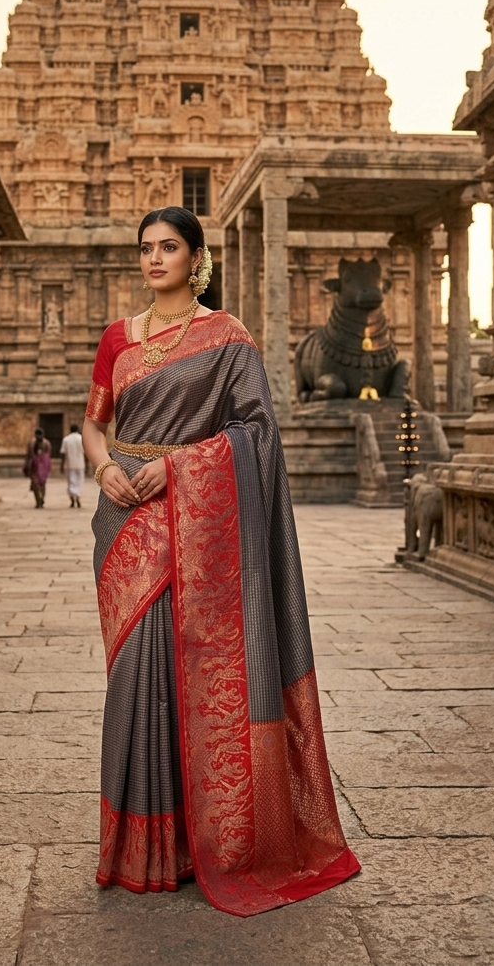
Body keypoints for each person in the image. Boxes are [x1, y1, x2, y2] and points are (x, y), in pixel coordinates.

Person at [82, 206, 360, 917]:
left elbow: (256, 433)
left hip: (190, 520)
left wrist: (178, 468)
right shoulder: (118, 338)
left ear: (196, 256)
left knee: (183, 673)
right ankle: (136, 844)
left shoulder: (228, 338)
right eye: (145, 247)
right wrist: (102, 468)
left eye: (168, 247)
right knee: (133, 677)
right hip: (125, 520)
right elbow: (94, 421)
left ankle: (190, 843)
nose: (153, 259)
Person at [24, 427, 52, 508]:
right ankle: (39, 500)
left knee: (41, 484)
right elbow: (29, 455)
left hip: (41, 467)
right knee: (36, 484)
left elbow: (48, 456)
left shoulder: (46, 443)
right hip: (35, 467)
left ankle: (40, 499)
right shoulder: (32, 443)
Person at [59, 422, 85, 508]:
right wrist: (88, 465)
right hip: (80, 463)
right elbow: (86, 452)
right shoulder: (82, 438)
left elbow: (63, 454)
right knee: (79, 482)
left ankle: (72, 499)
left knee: (71, 482)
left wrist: (61, 465)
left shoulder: (66, 439)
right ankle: (77, 497)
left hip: (69, 464)